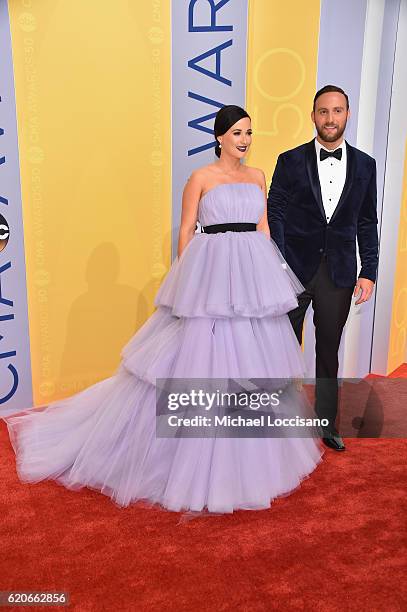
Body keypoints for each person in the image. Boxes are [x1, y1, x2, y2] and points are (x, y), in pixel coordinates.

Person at [3, 105, 323, 514]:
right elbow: (187, 231)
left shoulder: (258, 177)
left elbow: (262, 229)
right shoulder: (201, 178)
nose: (244, 140)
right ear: (219, 136)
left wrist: (273, 276)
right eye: (237, 132)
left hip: (250, 277)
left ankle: (252, 461)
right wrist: (188, 286)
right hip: (210, 277)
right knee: (204, 365)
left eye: (249, 132)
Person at [267, 85, 379, 452]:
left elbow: (366, 221)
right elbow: (275, 212)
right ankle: (275, 422)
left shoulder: (366, 165)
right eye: (323, 112)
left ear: (347, 114)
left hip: (340, 273)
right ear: (313, 115)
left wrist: (369, 271)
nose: (330, 119)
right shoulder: (290, 160)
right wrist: (280, 263)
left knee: (328, 350)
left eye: (337, 111)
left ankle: (326, 424)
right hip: (293, 271)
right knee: (280, 346)